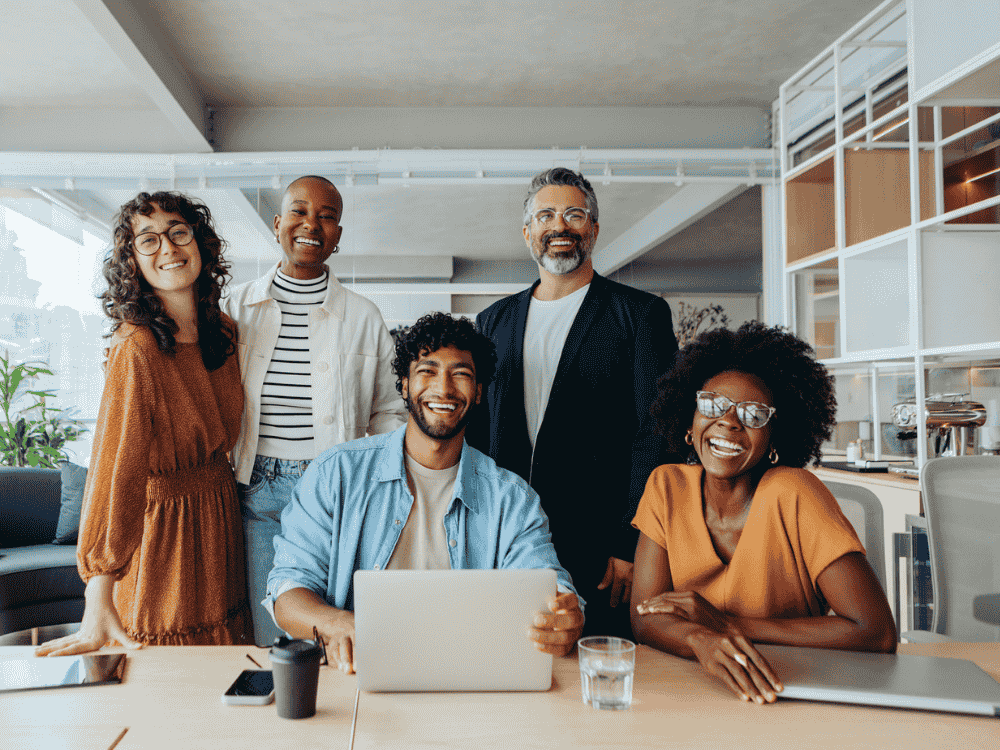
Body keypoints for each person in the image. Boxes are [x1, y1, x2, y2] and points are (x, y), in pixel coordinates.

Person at [267, 312, 584, 672]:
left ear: (479, 392)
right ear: (404, 385)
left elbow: (546, 580)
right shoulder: (335, 474)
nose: (444, 389)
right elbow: (287, 590)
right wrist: (337, 623)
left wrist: (563, 613)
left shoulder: (512, 499)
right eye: (427, 371)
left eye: (461, 374)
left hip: (470, 676)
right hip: (358, 672)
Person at [630, 322, 896, 704]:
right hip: (693, 688)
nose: (730, 422)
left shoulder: (795, 492)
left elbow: (876, 632)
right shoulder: (666, 486)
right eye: (712, 405)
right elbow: (644, 616)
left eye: (754, 414)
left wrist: (727, 625)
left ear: (774, 437)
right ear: (690, 420)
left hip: (792, 689)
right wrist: (700, 639)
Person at [36, 191, 250, 655]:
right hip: (165, 534)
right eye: (148, 241)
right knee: (168, 673)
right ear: (132, 261)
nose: (168, 249)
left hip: (219, 518)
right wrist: (100, 589)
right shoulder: (137, 348)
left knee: (224, 667)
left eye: (178, 233)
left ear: (200, 243)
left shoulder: (225, 332)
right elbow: (117, 469)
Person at [469, 167, 678, 637]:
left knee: (593, 670)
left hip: (601, 547)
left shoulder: (640, 316)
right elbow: (479, 435)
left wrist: (631, 543)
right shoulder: (491, 321)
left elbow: (657, 437)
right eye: (545, 216)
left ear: (594, 230)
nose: (559, 226)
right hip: (508, 536)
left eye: (574, 215)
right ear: (528, 233)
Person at [222, 175, 405, 645]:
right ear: (278, 223)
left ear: (338, 235)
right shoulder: (237, 307)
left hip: (336, 487)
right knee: (276, 630)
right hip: (256, 489)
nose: (312, 224)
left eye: (327, 216)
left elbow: (389, 412)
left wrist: (382, 479)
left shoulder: (363, 316)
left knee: (339, 623)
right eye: (300, 212)